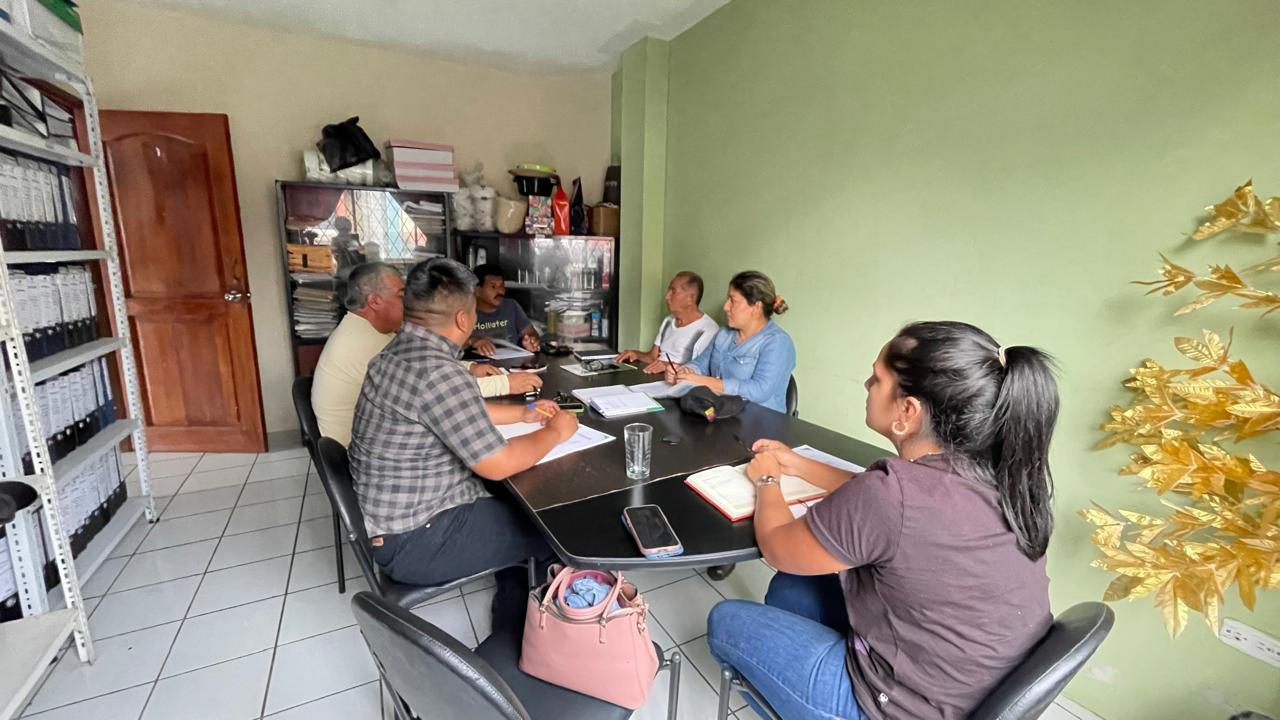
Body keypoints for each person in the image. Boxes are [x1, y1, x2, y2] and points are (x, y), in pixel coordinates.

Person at [706, 321, 1059, 720]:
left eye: (877, 379)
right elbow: (887, 500)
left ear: (908, 411)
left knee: (725, 620)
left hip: (903, 709)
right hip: (966, 687)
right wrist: (797, 463)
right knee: (793, 588)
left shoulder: (894, 495)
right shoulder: (999, 474)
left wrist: (767, 479)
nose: (866, 385)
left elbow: (778, 548)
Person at [349, 258, 579, 626]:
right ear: (462, 319)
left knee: (517, 504)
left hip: (392, 522)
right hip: (419, 539)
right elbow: (499, 463)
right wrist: (555, 432)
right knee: (554, 529)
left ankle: (513, 593)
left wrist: (521, 415)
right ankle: (524, 629)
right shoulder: (438, 373)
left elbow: (447, 410)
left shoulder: (396, 354)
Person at [311, 264, 538, 447]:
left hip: (374, 441)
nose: (409, 303)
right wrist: (505, 384)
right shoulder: (365, 344)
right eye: (401, 295)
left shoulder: (364, 330)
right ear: (374, 301)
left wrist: (470, 368)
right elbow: (439, 391)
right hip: (365, 451)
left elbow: (425, 368)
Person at [666, 271, 795, 413]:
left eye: (733, 301)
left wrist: (702, 381)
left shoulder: (778, 342)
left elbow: (759, 390)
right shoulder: (724, 333)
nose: (725, 307)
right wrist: (685, 371)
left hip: (761, 420)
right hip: (721, 412)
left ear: (756, 307)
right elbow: (701, 363)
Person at [615, 271, 719, 372]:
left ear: (690, 298)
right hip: (655, 377)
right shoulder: (668, 321)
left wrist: (669, 366)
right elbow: (652, 357)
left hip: (679, 381)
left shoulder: (708, 329)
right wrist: (636, 354)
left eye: (673, 292)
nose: (667, 297)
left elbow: (702, 371)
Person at [469, 263, 541, 356]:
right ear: (477, 290)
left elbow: (529, 331)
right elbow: (452, 343)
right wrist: (473, 341)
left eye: (502, 286)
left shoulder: (511, 306)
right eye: (493, 286)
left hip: (512, 361)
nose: (500, 291)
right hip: (476, 362)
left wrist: (532, 340)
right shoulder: (466, 309)